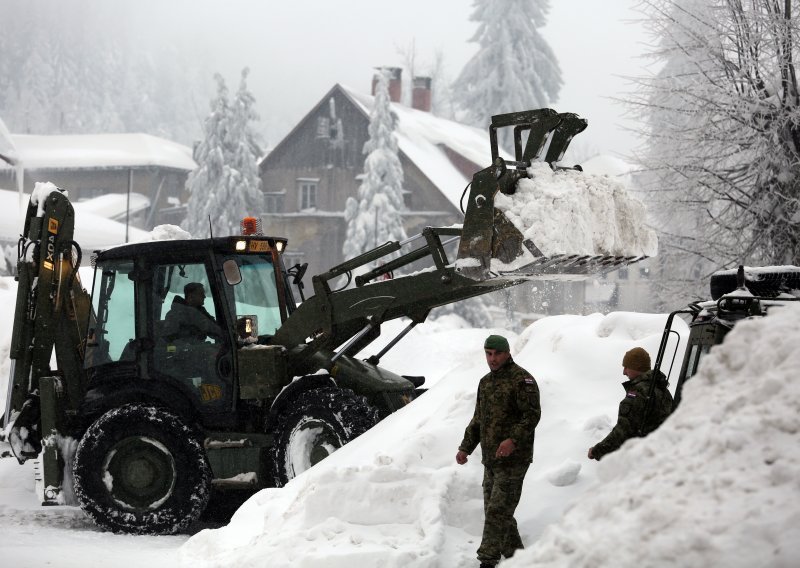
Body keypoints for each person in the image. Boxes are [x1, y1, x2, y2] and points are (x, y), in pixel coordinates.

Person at [456, 335, 541, 568]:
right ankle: (519, 558)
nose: (492, 359)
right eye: (488, 354)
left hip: (515, 460)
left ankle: (487, 561)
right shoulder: (485, 382)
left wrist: (513, 440)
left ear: (507, 353)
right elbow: (478, 419)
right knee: (498, 512)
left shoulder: (522, 380)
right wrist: (465, 447)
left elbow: (531, 416)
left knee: (496, 512)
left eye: (496, 354)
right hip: (491, 460)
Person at [588, 347, 673, 461]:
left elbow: (623, 432)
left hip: (643, 459)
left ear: (636, 367)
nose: (624, 372)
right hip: (662, 456)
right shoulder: (662, 389)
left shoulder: (638, 393)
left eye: (626, 367)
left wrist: (597, 451)